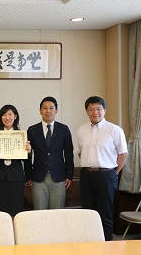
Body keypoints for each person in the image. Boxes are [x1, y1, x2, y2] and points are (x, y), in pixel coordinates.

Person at [75, 96, 127, 241]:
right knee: (88, 211)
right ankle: (89, 241)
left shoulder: (114, 129)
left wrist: (114, 172)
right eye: (91, 109)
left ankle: (107, 243)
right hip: (86, 175)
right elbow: (80, 152)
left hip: (106, 175)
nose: (95, 112)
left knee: (105, 212)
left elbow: (123, 154)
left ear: (104, 110)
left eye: (98, 109)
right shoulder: (81, 130)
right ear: (87, 111)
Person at [26, 97, 74, 210]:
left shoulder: (64, 129)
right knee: (39, 212)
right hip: (38, 178)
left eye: (51, 108)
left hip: (59, 177)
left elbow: (68, 153)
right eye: (45, 108)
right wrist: (28, 175)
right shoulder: (32, 130)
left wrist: (69, 175)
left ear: (56, 111)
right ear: (40, 111)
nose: (48, 111)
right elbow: (27, 155)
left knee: (57, 213)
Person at [0, 105, 31, 216]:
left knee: (16, 208)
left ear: (15, 116)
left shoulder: (22, 135)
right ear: (1, 118)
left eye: (10, 114)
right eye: (4, 115)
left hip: (16, 176)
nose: (7, 117)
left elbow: (27, 160)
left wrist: (29, 151)